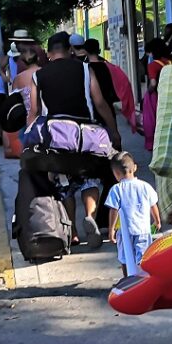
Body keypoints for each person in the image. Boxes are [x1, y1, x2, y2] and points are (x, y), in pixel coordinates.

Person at [27, 31, 123, 247]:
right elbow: (100, 102)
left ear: (49, 54)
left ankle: (73, 231)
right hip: (85, 134)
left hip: (56, 137)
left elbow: (34, 111)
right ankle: (90, 215)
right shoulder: (85, 69)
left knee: (64, 183)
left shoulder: (38, 76)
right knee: (89, 179)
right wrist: (113, 130)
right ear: (70, 50)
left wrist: (30, 139)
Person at [105, 152, 160, 277]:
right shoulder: (145, 186)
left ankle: (127, 280)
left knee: (125, 258)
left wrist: (111, 229)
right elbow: (153, 205)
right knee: (144, 257)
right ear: (134, 167)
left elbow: (113, 210)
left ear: (116, 173)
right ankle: (144, 279)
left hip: (125, 232)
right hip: (143, 230)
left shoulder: (116, 189)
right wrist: (157, 221)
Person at [141, 38, 172, 152]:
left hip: (156, 96)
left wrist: (148, 92)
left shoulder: (153, 65)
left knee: (153, 121)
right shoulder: (171, 62)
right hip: (170, 94)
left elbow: (153, 83)